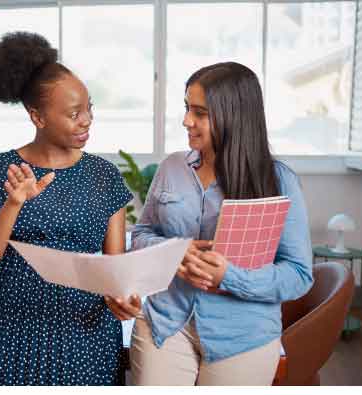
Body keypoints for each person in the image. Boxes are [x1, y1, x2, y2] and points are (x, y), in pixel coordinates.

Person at [0, 31, 141, 385]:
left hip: (85, 333)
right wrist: (13, 204)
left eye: (89, 108)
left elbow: (114, 269)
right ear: (37, 117)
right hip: (7, 331)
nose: (87, 120)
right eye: (74, 113)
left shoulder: (104, 175)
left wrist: (120, 299)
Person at [130, 62, 313, 386]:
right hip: (166, 323)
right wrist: (174, 252)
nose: (186, 120)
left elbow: (298, 274)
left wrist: (230, 277)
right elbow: (142, 234)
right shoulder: (171, 167)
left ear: (234, 115)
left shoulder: (278, 180)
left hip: (244, 335)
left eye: (199, 112)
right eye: (187, 108)